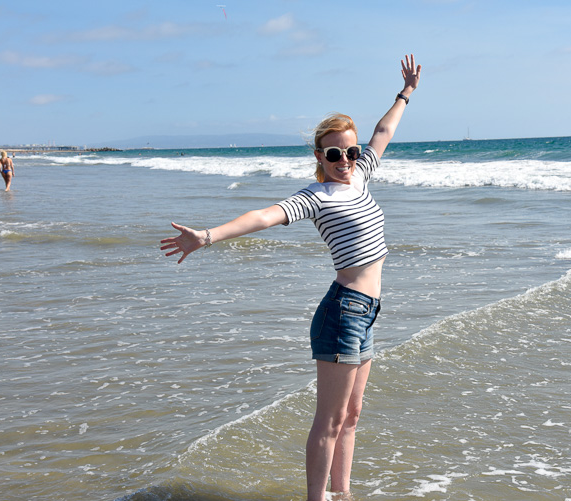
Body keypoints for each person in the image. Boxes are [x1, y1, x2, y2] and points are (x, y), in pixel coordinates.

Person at [161, 54, 421, 501]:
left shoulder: (362, 175)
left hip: (369, 310)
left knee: (352, 414)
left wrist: (406, 94)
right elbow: (265, 215)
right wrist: (207, 236)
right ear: (321, 156)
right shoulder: (316, 196)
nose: (346, 159)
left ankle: (344, 494)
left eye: (351, 151)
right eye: (336, 153)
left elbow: (383, 132)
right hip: (343, 312)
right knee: (329, 421)